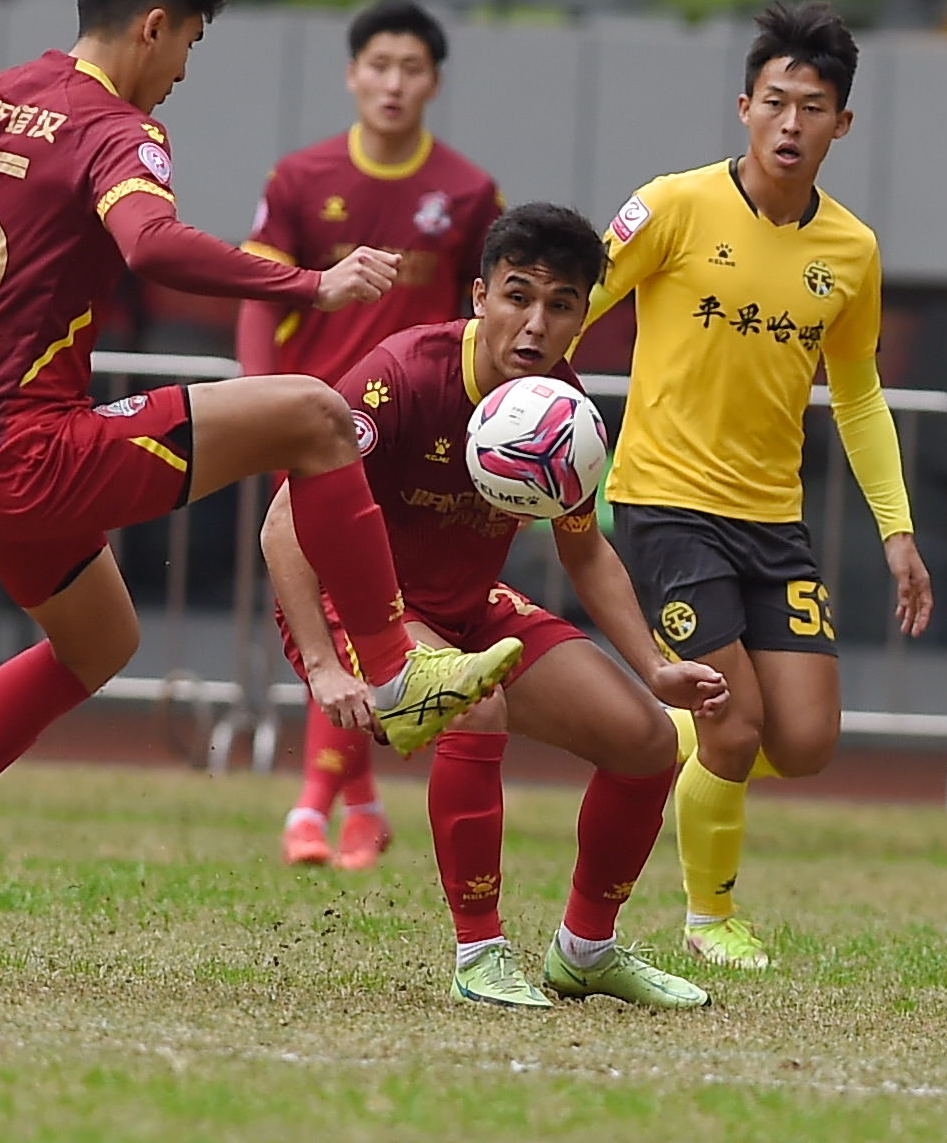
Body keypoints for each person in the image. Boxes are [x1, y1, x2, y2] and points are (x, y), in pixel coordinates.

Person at [0, 0, 522, 973]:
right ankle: (399, 667)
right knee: (318, 415)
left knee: (97, 643)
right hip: (27, 448)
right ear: (152, 25)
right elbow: (150, 242)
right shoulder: (118, 129)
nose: (183, 71)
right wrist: (311, 285)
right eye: (186, 44)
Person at [267, 203, 728, 1010]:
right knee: (478, 707)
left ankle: (585, 951)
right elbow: (285, 522)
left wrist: (654, 665)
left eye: (561, 305)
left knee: (648, 742)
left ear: (583, 315)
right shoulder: (402, 374)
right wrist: (319, 662)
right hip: (363, 613)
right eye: (518, 296)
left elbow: (583, 547)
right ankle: (479, 954)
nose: (535, 323)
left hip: (469, 607)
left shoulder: (563, 403)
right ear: (480, 296)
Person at [587, 0, 933, 973]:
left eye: (812, 105)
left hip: (771, 517)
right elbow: (571, 306)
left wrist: (895, 532)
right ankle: (709, 915)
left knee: (809, 737)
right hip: (663, 502)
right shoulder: (672, 206)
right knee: (735, 723)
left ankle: (683, 733)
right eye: (774, 100)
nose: (791, 122)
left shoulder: (849, 253)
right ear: (743, 106)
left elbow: (858, 396)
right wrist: (511, 405)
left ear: (841, 124)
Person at [238, 0, 500, 873]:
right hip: (317, 427)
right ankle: (347, 805)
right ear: (352, 74)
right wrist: (256, 402)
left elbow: (489, 318)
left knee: (358, 616)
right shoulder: (300, 179)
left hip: (414, 439)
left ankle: (323, 807)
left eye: (411, 68)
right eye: (378, 65)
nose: (393, 83)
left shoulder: (466, 193)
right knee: (341, 613)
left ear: (434, 81)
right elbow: (261, 294)